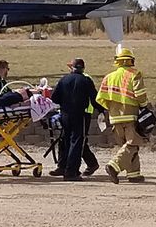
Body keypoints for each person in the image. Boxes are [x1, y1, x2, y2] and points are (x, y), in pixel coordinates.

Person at [97, 48, 148, 184]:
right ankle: (113, 166)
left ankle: (134, 174)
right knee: (133, 143)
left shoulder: (109, 77)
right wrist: (144, 106)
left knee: (129, 147)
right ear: (130, 60)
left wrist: (112, 109)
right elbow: (140, 95)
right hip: (130, 115)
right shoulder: (135, 74)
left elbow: (101, 97)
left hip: (114, 117)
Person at [50, 58, 102, 181]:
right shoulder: (86, 80)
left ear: (72, 68)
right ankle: (71, 172)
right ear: (83, 68)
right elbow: (94, 99)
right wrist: (101, 110)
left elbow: (54, 98)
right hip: (79, 115)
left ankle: (64, 166)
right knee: (77, 142)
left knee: (66, 141)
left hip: (65, 114)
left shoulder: (64, 79)